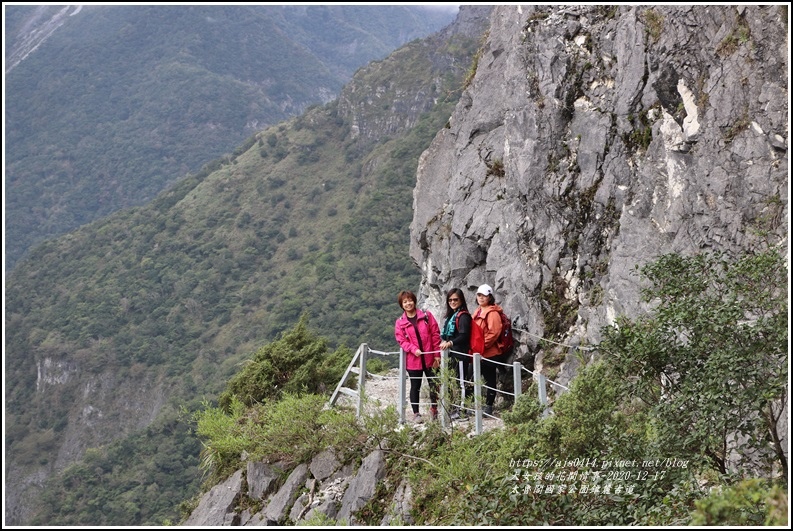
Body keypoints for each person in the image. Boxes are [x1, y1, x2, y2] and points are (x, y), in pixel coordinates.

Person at [394, 290, 442, 423]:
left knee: (434, 384)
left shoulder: (426, 316)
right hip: (413, 360)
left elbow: (435, 335)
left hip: (430, 357)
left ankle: (434, 409)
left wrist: (437, 355)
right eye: (405, 302)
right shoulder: (400, 322)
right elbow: (402, 340)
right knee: (415, 386)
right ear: (401, 305)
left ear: (414, 300)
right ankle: (416, 413)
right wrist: (413, 349)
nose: (408, 303)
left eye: (410, 300)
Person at [472, 283, 505, 416]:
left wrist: (480, 345)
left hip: (489, 353)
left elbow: (494, 332)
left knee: (489, 378)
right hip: (478, 352)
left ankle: (489, 407)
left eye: (484, 295)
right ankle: (474, 405)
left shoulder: (492, 313)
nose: (481, 298)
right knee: (472, 376)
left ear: (489, 297)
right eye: (479, 295)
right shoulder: (478, 311)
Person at [439, 288, 472, 419]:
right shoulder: (452, 316)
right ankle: (455, 408)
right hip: (453, 355)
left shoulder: (463, 316)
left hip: (461, 354)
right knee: (453, 381)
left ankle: (462, 410)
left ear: (461, 300)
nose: (452, 302)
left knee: (461, 382)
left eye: (455, 300)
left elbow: (464, 335)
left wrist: (450, 343)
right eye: (450, 300)